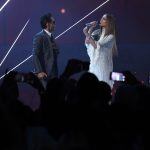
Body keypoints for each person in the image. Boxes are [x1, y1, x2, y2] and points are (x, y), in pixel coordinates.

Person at [83, 13, 118, 88]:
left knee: (102, 87)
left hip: (103, 66)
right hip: (94, 65)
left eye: (104, 19)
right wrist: (91, 28)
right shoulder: (97, 32)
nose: (101, 20)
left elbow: (97, 46)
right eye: (102, 18)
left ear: (108, 22)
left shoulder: (111, 36)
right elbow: (88, 42)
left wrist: (86, 33)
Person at [33, 13, 59, 88]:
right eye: (53, 22)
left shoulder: (51, 36)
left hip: (54, 74)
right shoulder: (39, 36)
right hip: (45, 74)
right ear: (47, 24)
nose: (55, 25)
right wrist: (39, 71)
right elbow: (35, 54)